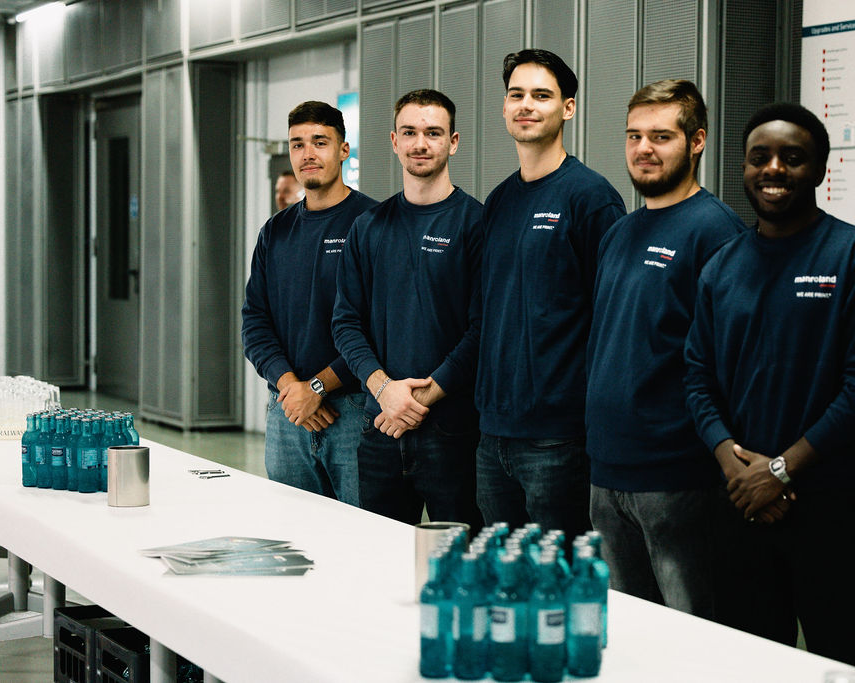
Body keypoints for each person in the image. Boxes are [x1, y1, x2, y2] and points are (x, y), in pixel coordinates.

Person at [684, 102, 855, 667]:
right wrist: (733, 465)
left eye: (792, 157)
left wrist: (781, 469)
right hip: (741, 505)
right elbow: (697, 375)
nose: (774, 169)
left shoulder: (854, 257)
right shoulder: (722, 266)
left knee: (845, 663)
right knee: (750, 664)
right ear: (743, 167)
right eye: (759, 157)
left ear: (820, 170)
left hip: (833, 510)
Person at [585, 79, 744, 617]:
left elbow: (729, 364)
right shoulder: (620, 233)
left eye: (661, 136)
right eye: (634, 136)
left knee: (693, 634)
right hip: (607, 470)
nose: (643, 149)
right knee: (628, 633)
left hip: (677, 478)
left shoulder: (716, 232)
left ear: (697, 141)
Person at [474, 49, 626, 542]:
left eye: (542, 95)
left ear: (568, 108)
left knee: (557, 578)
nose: (526, 105)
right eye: (516, 94)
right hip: (493, 434)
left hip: (558, 440)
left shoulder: (591, 198)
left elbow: (611, 321)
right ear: (503, 107)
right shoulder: (498, 201)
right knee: (504, 576)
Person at [332, 89, 483, 528]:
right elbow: (345, 323)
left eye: (433, 133)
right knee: (379, 557)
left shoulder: (476, 223)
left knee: (459, 559)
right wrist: (384, 390)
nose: (421, 143)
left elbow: (484, 328)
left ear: (453, 142)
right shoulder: (368, 227)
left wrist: (420, 398)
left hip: (453, 432)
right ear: (394, 141)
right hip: (379, 426)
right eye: (410, 132)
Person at [242, 101, 378, 504]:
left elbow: (377, 328)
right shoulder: (275, 232)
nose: (308, 154)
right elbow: (255, 323)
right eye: (297, 144)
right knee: (292, 532)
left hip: (353, 411)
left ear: (343, 149)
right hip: (288, 414)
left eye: (320, 142)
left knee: (360, 531)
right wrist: (293, 389)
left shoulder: (372, 223)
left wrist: (317, 387)